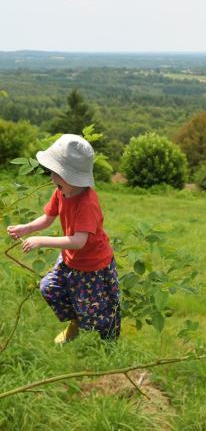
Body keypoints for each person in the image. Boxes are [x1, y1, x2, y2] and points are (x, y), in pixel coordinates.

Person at [6, 134, 120, 343]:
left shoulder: (86, 202)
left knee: (95, 313)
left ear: (70, 176)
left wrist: (41, 241)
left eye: (55, 172)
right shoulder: (61, 191)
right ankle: (75, 321)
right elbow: (48, 218)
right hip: (70, 259)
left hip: (91, 265)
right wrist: (26, 228)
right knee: (49, 287)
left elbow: (79, 241)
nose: (51, 176)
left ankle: (109, 341)